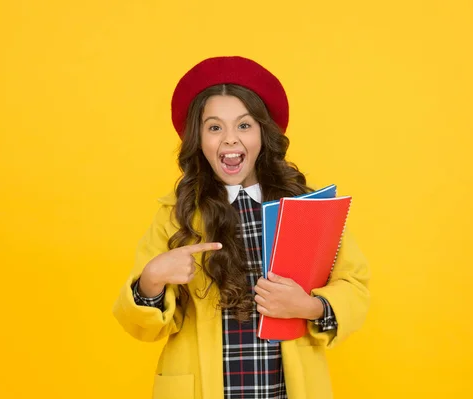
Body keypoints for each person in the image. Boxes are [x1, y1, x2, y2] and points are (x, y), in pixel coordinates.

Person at [113, 56, 370, 399]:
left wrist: (309, 307)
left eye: (244, 126)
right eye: (215, 127)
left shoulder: (306, 207)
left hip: (283, 389)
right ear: (198, 138)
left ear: (264, 133)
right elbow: (140, 327)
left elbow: (355, 287)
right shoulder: (176, 214)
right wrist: (152, 279)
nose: (230, 139)